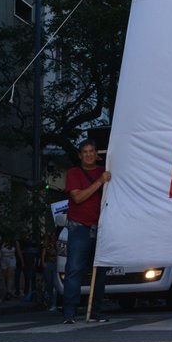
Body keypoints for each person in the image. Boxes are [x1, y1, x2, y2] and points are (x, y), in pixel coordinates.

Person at [62, 139, 111, 324]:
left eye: (92, 151)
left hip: (101, 227)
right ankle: (69, 312)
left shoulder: (104, 171)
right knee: (74, 269)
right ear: (80, 155)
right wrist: (100, 181)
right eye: (85, 151)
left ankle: (95, 311)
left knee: (100, 271)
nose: (89, 154)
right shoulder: (74, 173)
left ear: (96, 154)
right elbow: (78, 197)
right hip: (80, 227)